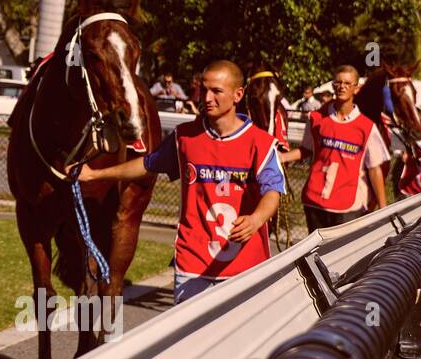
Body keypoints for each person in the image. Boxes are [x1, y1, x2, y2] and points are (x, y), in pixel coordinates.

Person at [79, 60, 284, 304]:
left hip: (246, 266)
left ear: (238, 94)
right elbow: (147, 164)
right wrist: (96, 174)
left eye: (216, 91)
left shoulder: (259, 142)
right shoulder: (185, 137)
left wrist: (256, 219)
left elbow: (273, 192)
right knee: (191, 340)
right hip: (192, 264)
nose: (207, 98)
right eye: (204, 89)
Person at [280, 64, 389, 230]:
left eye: (347, 83)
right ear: (332, 85)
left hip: (348, 205)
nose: (342, 87)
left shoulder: (366, 127)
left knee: (343, 254)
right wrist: (280, 157)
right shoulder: (317, 118)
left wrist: (383, 209)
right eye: (338, 83)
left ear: (356, 88)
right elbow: (306, 149)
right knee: (314, 254)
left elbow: (374, 169)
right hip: (314, 200)